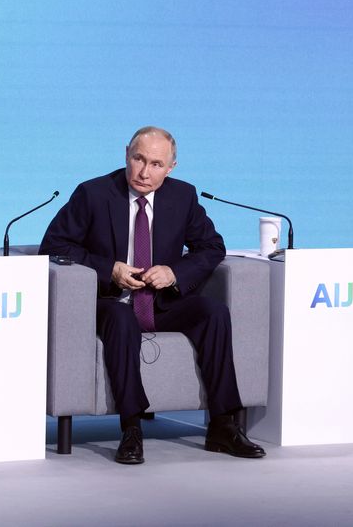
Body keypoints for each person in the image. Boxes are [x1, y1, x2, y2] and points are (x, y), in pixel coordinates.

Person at [39, 126, 265, 465]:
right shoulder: (93, 194)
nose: (145, 172)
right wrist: (110, 269)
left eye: (156, 164)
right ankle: (131, 428)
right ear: (126, 154)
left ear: (171, 167)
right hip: (110, 302)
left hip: (162, 302)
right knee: (120, 317)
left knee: (214, 313)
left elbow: (211, 247)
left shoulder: (183, 196)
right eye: (138, 159)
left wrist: (176, 273)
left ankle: (222, 424)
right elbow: (54, 246)